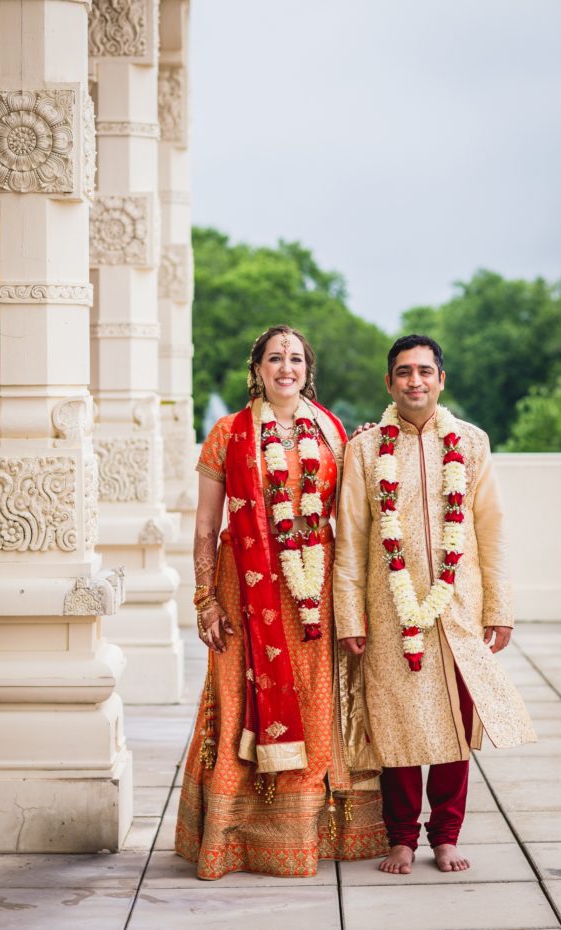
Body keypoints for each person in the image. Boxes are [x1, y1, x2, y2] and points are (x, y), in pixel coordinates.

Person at [175, 324, 388, 880]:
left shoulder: (334, 431)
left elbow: (356, 507)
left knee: (318, 699)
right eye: (275, 358)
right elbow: (204, 525)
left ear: (308, 370)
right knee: (237, 697)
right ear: (259, 369)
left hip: (314, 592)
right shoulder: (228, 433)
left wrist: (365, 448)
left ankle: (313, 832)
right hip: (242, 589)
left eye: (295, 358)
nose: (286, 367)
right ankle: (236, 837)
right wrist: (204, 600)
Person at [333, 334, 536, 875]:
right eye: (404, 372)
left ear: (441, 380)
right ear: (389, 382)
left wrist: (499, 607)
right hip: (388, 609)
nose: (414, 381)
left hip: (458, 606)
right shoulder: (365, 448)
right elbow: (350, 539)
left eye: (425, 371)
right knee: (395, 724)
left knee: (453, 723)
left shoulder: (470, 444)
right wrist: (350, 615)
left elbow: (491, 529)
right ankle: (401, 837)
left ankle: (445, 835)